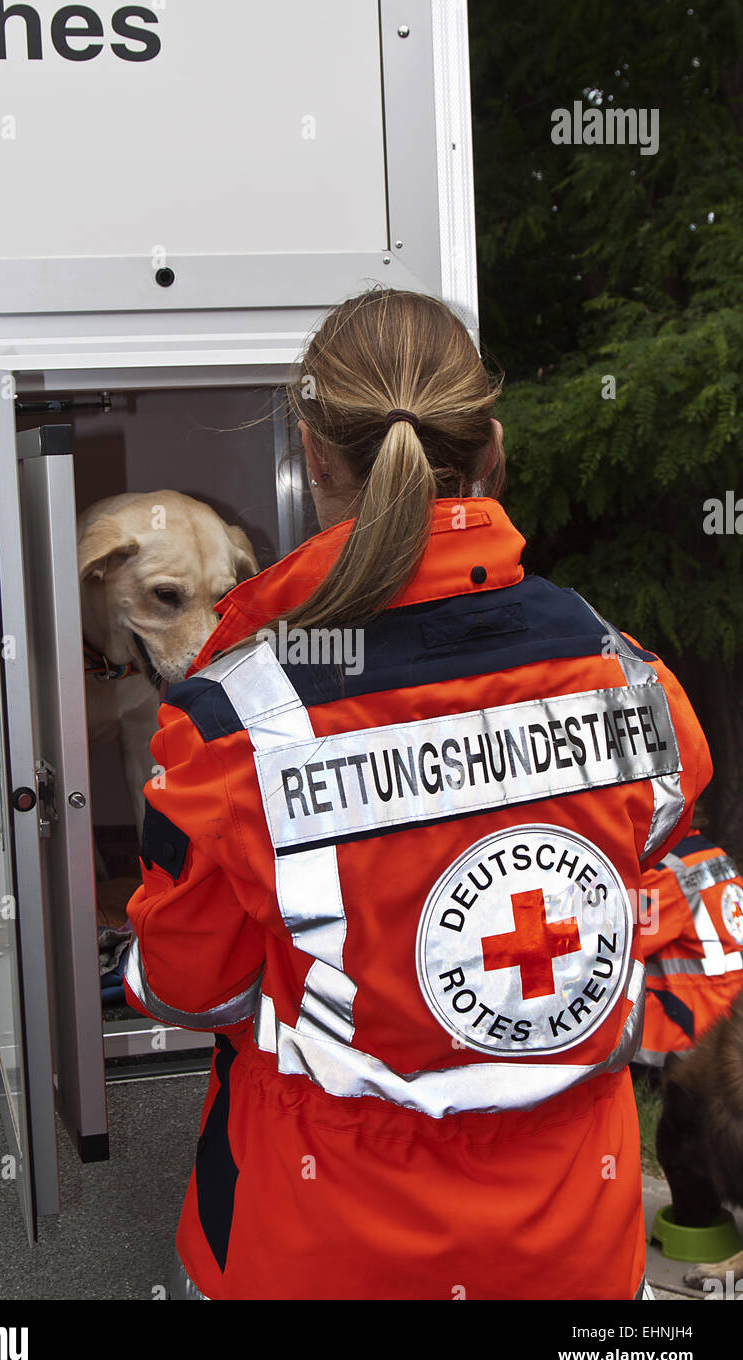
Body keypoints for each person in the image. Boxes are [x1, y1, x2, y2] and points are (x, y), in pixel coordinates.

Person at [123, 288, 712, 1300]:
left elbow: (189, 987)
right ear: (487, 444)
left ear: (312, 455)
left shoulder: (230, 724)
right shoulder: (630, 680)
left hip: (318, 1249)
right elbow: (661, 913)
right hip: (571, 1243)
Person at [634, 807, 743, 1066]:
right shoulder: (716, 857)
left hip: (694, 1038)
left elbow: (615, 944)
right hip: (731, 1022)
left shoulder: (663, 875)